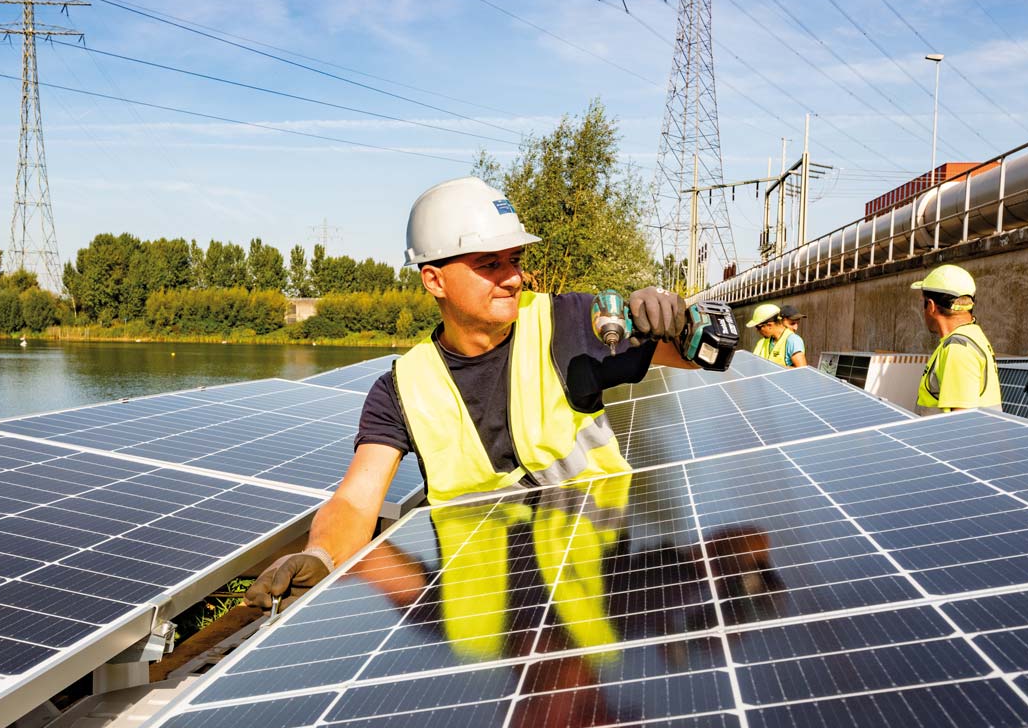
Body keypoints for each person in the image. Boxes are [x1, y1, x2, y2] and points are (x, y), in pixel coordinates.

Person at [246, 175, 695, 609]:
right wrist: (322, 555)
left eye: (515, 259)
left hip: (604, 585)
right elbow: (355, 501)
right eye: (489, 264)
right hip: (483, 635)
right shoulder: (402, 389)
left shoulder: (571, 322)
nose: (513, 278)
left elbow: (698, 355)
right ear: (433, 280)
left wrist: (681, 322)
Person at [912, 263, 1002, 414]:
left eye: (924, 303)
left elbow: (961, 425)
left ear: (931, 306)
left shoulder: (959, 348)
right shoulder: (973, 334)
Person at [745, 303, 806, 368]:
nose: (757, 331)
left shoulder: (793, 340)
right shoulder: (761, 342)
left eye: (758, 327)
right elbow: (753, 365)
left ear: (769, 325)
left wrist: (774, 369)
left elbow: (802, 371)